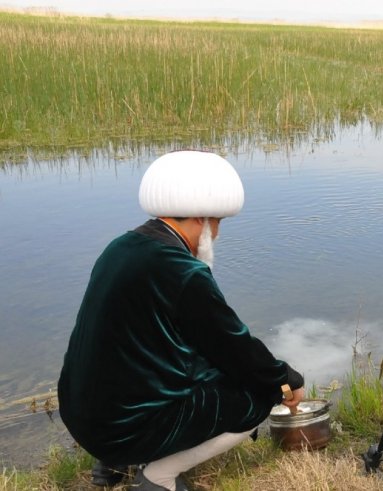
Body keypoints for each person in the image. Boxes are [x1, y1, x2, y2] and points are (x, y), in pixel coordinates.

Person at [57, 150, 305, 491]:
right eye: (217, 223)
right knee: (256, 398)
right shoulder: (181, 271)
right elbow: (233, 345)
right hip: (120, 427)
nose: (216, 235)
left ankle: (112, 461)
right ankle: (158, 476)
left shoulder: (121, 247)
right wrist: (284, 379)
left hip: (83, 414)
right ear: (200, 219)